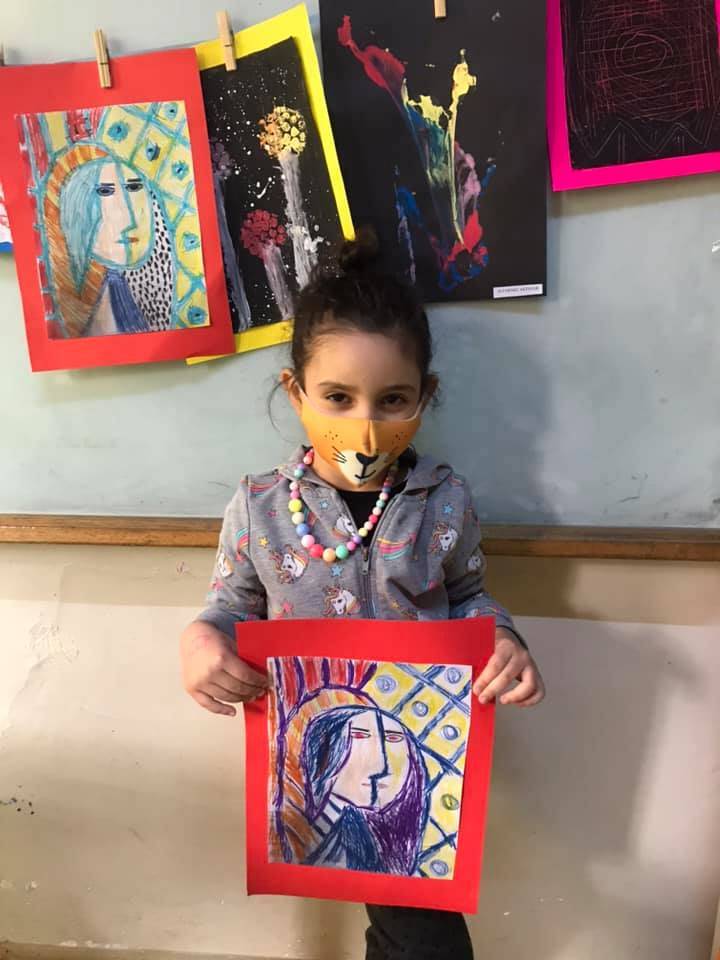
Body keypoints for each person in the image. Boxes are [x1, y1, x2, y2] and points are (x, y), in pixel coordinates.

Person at [180, 232, 546, 960]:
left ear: (424, 398)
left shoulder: (444, 498)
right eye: (337, 397)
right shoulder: (259, 506)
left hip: (413, 750)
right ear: (296, 393)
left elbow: (470, 595)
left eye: (393, 399)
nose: (365, 424)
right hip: (314, 752)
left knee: (417, 929)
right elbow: (229, 606)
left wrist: (502, 639)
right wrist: (200, 641)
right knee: (391, 919)